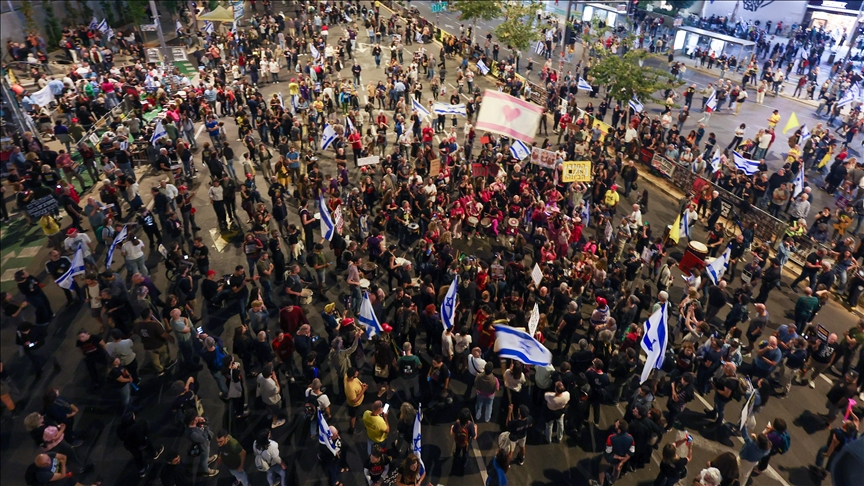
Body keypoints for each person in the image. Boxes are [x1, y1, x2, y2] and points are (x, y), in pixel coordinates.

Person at [117, 412, 164, 478]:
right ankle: (154, 454)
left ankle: (142, 471)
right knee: (149, 447)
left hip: (131, 446)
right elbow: (144, 434)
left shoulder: (120, 428)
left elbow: (121, 438)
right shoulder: (137, 426)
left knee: (137, 457)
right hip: (140, 444)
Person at [593, 419, 635, 486]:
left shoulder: (611, 437)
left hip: (609, 459)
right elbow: (631, 452)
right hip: (620, 460)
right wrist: (621, 461)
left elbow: (608, 452)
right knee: (617, 470)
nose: (615, 424)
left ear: (619, 430)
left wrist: (616, 457)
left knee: (602, 469)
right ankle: (611, 482)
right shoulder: (631, 438)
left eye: (616, 424)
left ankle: (600, 483)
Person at [184, 411, 218, 477]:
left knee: (206, 455)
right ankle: (206, 471)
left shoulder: (195, 424)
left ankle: (208, 459)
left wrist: (204, 420)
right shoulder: (193, 433)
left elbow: (207, 420)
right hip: (203, 446)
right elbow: (203, 439)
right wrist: (206, 428)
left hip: (205, 443)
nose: (198, 418)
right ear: (193, 421)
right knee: (204, 459)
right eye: (196, 418)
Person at [450, 408, 477, 473]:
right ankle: (464, 464)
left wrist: (452, 427)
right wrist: (476, 428)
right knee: (465, 453)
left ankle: (456, 457)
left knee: (457, 450)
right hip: (466, 443)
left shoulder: (457, 423)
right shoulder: (470, 425)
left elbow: (452, 432)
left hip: (458, 441)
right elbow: (474, 437)